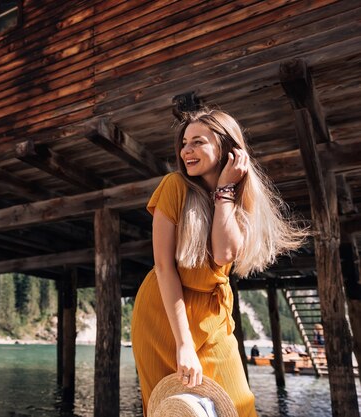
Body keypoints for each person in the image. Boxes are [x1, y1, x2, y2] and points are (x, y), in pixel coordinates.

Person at [131, 108, 306, 417]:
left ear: (227, 149)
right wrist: (183, 344)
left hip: (213, 315)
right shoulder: (174, 186)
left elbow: (224, 254)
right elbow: (164, 267)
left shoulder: (238, 200)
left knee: (239, 405)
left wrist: (225, 191)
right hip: (164, 312)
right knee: (170, 407)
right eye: (184, 143)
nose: (186, 151)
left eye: (198, 142)